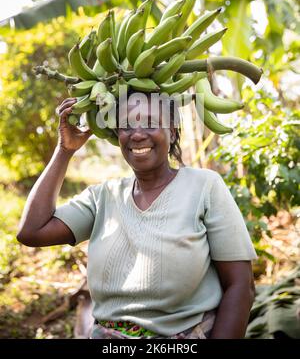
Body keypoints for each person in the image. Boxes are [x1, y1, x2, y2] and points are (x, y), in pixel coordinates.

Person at [17, 87, 258, 339]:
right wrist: (64, 151)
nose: (138, 134)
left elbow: (240, 286)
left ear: (172, 131)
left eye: (152, 123)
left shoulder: (204, 186)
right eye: (127, 126)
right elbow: (32, 232)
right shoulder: (103, 196)